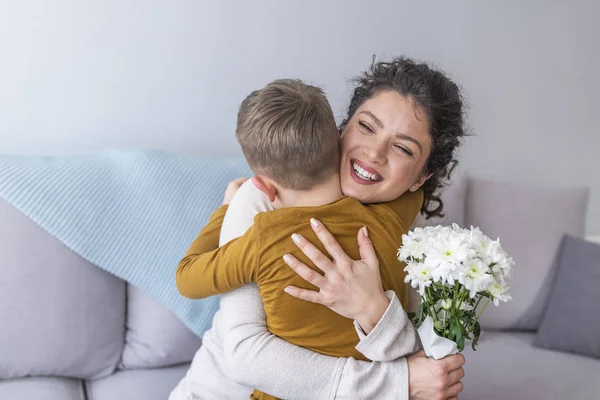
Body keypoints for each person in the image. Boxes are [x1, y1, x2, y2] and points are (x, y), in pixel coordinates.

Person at [170, 56, 467, 400]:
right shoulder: (261, 199)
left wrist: (373, 310)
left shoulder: (405, 226)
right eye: (367, 127)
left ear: (420, 178)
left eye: (402, 147)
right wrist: (398, 383)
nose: (374, 152)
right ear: (341, 128)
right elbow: (246, 357)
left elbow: (424, 362)